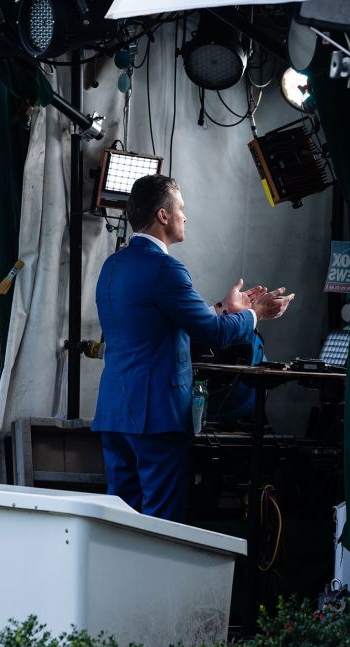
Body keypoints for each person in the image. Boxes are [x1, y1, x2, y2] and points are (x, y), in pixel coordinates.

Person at [93, 174, 294, 521]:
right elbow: (214, 334)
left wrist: (226, 308)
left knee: (120, 521)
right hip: (156, 417)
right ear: (163, 215)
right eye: (181, 208)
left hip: (114, 413)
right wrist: (253, 314)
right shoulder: (166, 268)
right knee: (160, 522)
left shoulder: (113, 266)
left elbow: (163, 318)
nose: (186, 216)